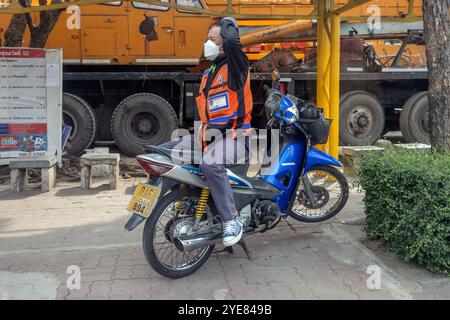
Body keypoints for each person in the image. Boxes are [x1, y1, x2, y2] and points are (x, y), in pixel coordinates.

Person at [159, 17, 253, 247]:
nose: (206, 43)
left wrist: (227, 22)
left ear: (224, 42)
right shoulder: (209, 72)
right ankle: (174, 202)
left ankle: (232, 219)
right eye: (207, 39)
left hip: (235, 137)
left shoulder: (236, 66)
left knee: (210, 164)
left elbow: (232, 41)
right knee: (159, 153)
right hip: (207, 139)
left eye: (212, 39)